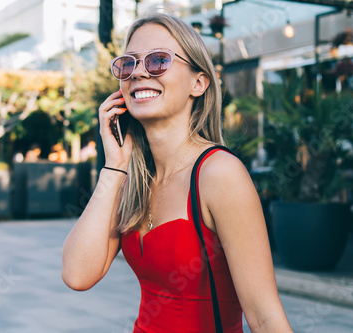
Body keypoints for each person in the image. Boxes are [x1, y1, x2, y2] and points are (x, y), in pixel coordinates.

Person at [62, 13, 293, 333]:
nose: (139, 72)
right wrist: (113, 167)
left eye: (158, 60)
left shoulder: (219, 174)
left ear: (198, 83)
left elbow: (265, 318)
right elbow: (77, 274)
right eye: (128, 64)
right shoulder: (133, 178)